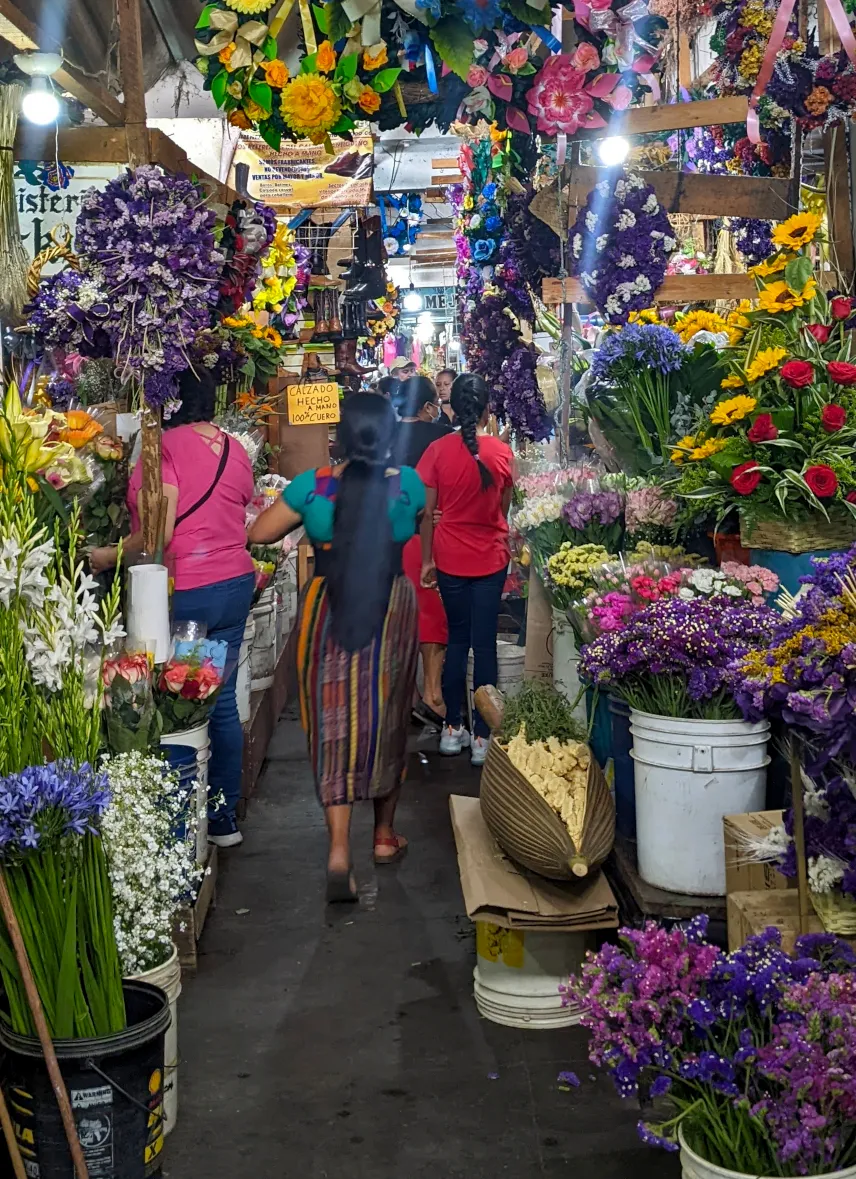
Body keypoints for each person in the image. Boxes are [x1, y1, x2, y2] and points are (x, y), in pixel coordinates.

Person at [248, 393, 424, 902]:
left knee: (334, 721)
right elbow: (409, 528)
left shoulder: (313, 487)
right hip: (391, 604)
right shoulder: (407, 485)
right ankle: (385, 837)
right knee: (388, 713)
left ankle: (339, 852)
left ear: (340, 437)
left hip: (327, 604)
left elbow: (260, 533)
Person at [89, 368, 255, 848]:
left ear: (166, 405)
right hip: (235, 581)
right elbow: (238, 506)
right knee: (218, 699)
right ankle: (223, 820)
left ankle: (179, 829)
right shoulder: (235, 447)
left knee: (177, 705)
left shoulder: (163, 451)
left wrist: (108, 554)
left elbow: (158, 533)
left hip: (189, 591)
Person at [418, 373, 514, 766]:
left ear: (452, 408)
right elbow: (503, 510)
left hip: (450, 557)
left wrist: (427, 559)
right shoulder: (502, 454)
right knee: (484, 643)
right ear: (487, 408)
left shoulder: (438, 451)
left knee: (457, 641)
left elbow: (427, 513)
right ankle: (482, 735)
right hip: (490, 558)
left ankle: (452, 729)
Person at [393, 376, 454, 724]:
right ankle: (432, 693)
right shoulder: (440, 436)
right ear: (429, 405)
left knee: (399, 618)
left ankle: (409, 696)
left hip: (385, 540)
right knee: (431, 614)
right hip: (424, 538)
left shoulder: (383, 437)